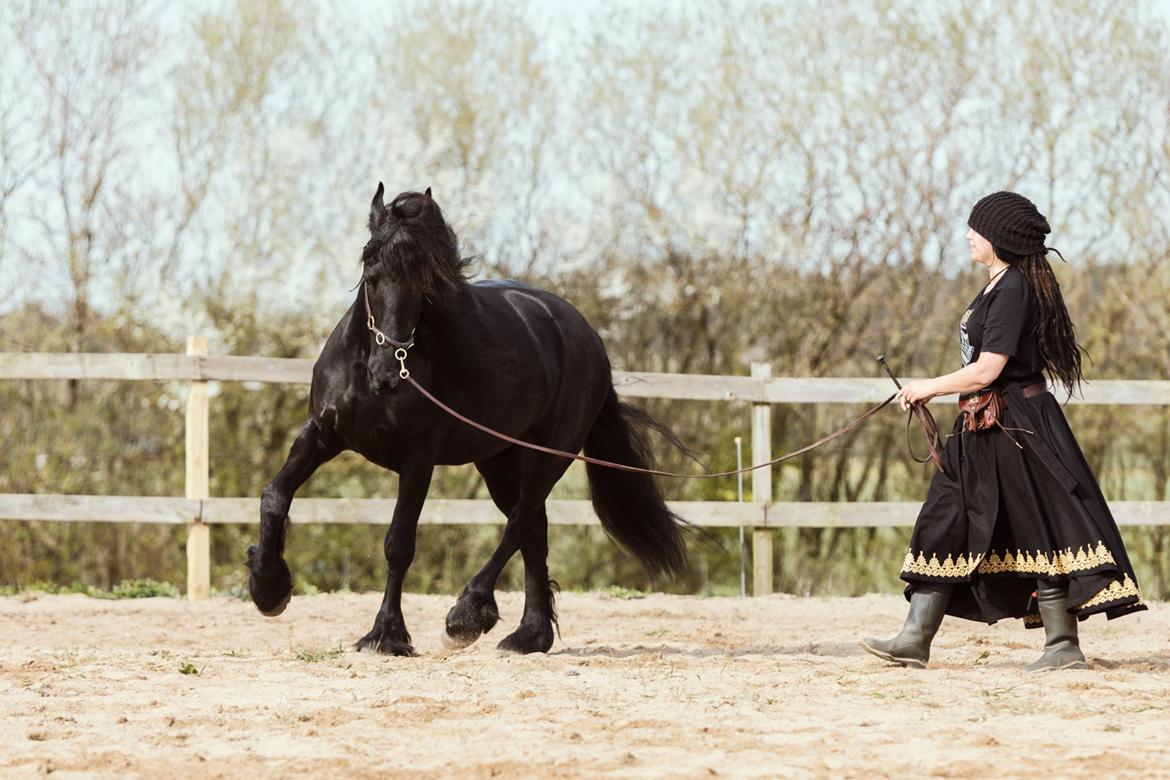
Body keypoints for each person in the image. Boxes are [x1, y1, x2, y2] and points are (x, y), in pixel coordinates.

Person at [861, 191, 1145, 671]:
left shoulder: (1013, 289)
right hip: (980, 426)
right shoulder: (997, 286)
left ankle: (1062, 645)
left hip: (1015, 426)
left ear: (1000, 238)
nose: (969, 236)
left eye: (978, 229)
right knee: (944, 516)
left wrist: (928, 387)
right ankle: (914, 637)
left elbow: (987, 369)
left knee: (1039, 528)